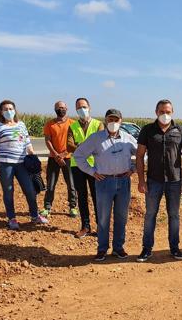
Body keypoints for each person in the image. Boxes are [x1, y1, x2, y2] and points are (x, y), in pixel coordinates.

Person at [74, 109, 137, 261]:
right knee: (103, 217)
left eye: (116, 120)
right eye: (110, 120)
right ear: (105, 121)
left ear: (121, 121)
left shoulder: (128, 138)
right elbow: (79, 155)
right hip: (104, 182)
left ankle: (118, 248)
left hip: (123, 181)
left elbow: (142, 154)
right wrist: (92, 171)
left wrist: (133, 168)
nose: (113, 123)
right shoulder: (96, 139)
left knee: (121, 216)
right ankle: (102, 249)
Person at [136, 99, 182, 262]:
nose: (165, 115)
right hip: (153, 181)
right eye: (162, 111)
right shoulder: (147, 130)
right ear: (156, 112)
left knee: (174, 215)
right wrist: (141, 180)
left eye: (168, 112)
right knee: (150, 215)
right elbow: (139, 156)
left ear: (172, 113)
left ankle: (174, 248)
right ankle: (146, 249)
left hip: (174, 181)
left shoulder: (181, 130)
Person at [0, 100, 48, 230]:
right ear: (1, 112)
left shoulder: (21, 125)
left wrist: (33, 158)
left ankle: (35, 215)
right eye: (5, 109)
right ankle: (12, 218)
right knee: (8, 191)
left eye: (10, 108)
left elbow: (27, 143)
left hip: (22, 164)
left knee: (30, 190)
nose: (8, 111)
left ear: (15, 110)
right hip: (5, 164)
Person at [67, 98, 105, 239]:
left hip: (95, 166)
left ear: (89, 107)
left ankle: (101, 226)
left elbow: (101, 142)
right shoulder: (73, 126)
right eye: (78, 107)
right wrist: (88, 147)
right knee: (81, 197)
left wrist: (81, 147)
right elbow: (69, 145)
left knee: (97, 197)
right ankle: (85, 226)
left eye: (83, 106)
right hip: (77, 166)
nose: (81, 109)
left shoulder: (98, 124)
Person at [41, 101, 77, 218]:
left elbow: (76, 142)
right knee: (51, 184)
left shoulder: (73, 124)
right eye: (58, 108)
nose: (60, 109)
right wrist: (56, 155)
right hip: (53, 158)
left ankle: (73, 207)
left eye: (62, 107)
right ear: (55, 110)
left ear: (66, 109)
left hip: (69, 158)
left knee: (71, 183)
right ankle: (47, 207)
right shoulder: (49, 124)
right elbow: (48, 140)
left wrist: (64, 154)